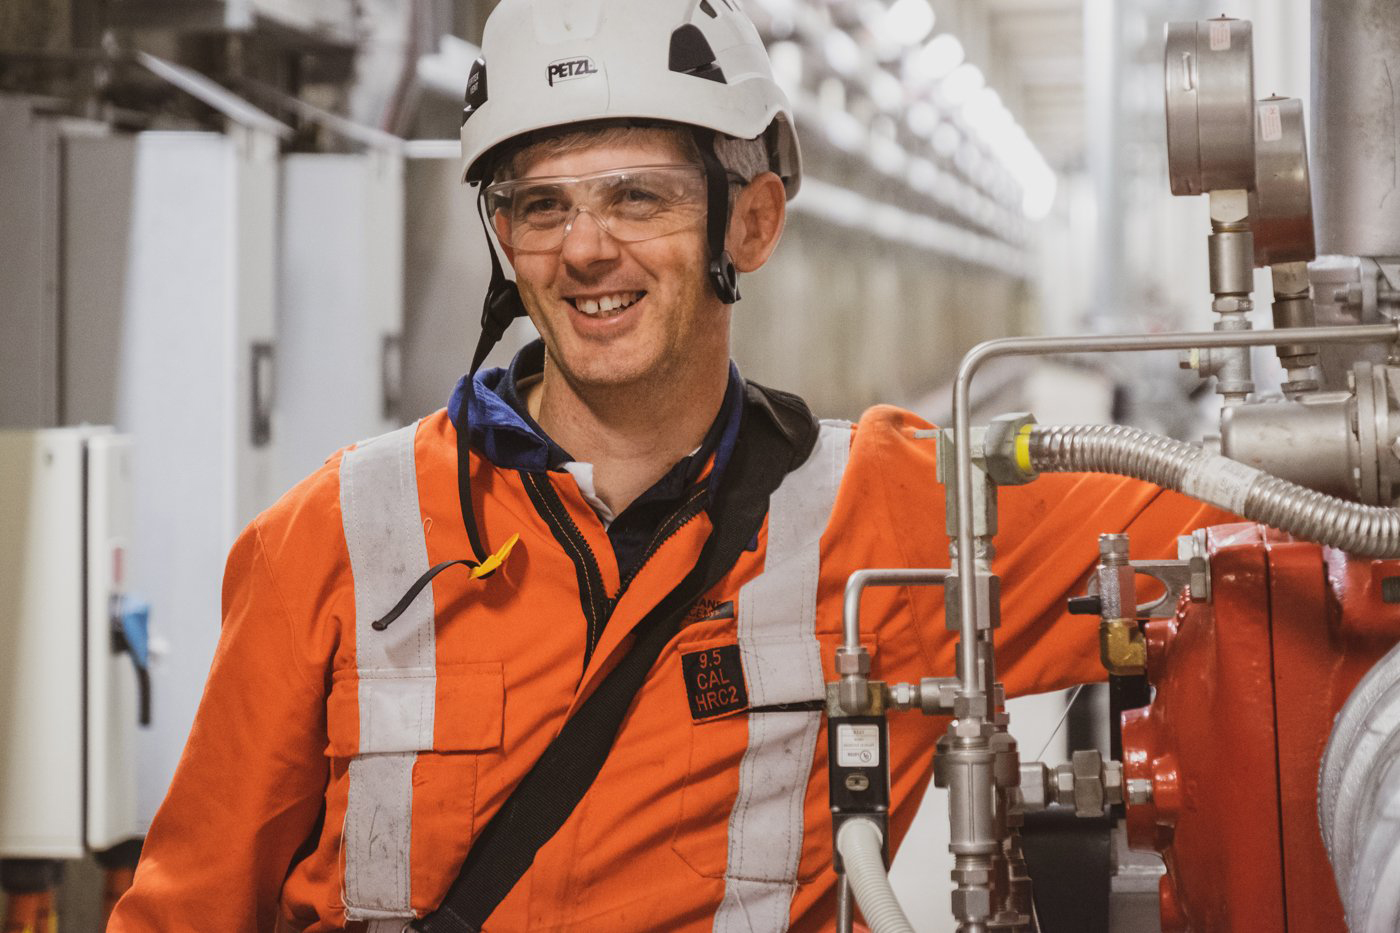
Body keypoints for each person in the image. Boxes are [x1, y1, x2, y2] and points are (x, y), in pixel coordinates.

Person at [109, 0, 1228, 930]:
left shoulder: (885, 518)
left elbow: (1241, 525)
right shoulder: (343, 533)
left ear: (749, 225)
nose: (586, 248)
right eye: (539, 206)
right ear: (504, 243)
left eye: (636, 196)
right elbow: (191, 904)